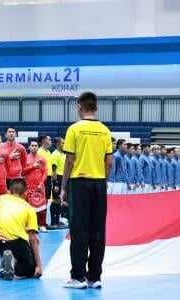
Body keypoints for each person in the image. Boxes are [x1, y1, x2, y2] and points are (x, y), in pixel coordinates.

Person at [60, 91, 113, 289]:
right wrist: (102, 180)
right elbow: (109, 161)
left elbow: (69, 160)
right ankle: (95, 277)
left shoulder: (74, 129)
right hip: (99, 184)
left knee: (79, 230)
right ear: (96, 107)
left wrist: (64, 186)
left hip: (79, 184)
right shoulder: (105, 131)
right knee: (98, 231)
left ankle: (78, 277)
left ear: (79, 107)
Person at [0, 178, 42, 281]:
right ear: (25, 193)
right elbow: (33, 239)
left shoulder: (1, 199)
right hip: (16, 243)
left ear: (9, 191)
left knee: (6, 244)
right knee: (30, 270)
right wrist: (39, 266)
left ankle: (4, 262)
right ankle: (13, 264)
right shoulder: (29, 209)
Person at [22, 140, 47, 232]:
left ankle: (42, 225)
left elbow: (45, 172)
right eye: (32, 145)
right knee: (29, 207)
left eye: (36, 145)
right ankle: (30, 225)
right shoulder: (25, 159)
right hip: (28, 187)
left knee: (42, 206)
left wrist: (41, 183)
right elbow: (23, 172)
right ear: (29, 147)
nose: (34, 147)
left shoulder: (42, 159)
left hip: (39, 187)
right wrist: (33, 166)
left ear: (38, 146)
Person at [50, 137, 67, 228]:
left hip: (63, 178)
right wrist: (56, 183)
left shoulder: (63, 154)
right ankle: (53, 222)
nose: (64, 144)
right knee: (55, 201)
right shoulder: (55, 154)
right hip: (58, 179)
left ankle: (58, 221)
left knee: (61, 201)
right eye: (63, 143)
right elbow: (54, 170)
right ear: (57, 144)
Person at [37, 135, 53, 224]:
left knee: (46, 200)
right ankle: (39, 222)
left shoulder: (48, 152)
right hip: (42, 179)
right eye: (49, 139)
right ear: (43, 141)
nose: (50, 141)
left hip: (49, 178)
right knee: (40, 201)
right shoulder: (39, 152)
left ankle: (43, 222)